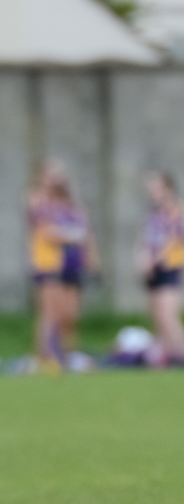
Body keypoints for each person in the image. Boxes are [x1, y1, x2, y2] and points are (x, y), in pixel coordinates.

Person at [26, 160, 97, 373]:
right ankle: (44, 357)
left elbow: (85, 228)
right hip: (49, 264)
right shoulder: (38, 199)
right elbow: (48, 231)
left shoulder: (70, 203)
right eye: (51, 173)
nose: (56, 178)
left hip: (71, 264)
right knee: (50, 313)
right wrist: (72, 235)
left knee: (69, 314)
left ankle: (68, 355)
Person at [136, 172, 184, 368]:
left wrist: (155, 259)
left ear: (167, 189)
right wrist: (143, 258)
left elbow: (176, 238)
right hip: (153, 268)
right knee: (156, 316)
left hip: (170, 266)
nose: (152, 193)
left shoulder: (176, 209)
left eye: (156, 188)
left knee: (169, 315)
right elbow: (148, 240)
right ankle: (167, 356)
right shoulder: (153, 213)